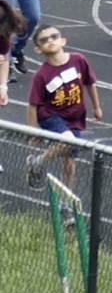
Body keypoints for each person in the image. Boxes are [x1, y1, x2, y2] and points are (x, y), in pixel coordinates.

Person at [24, 23, 101, 191]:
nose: (50, 41)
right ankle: (39, 162)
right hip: (51, 115)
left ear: (63, 41)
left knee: (70, 161)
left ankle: (67, 199)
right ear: (38, 49)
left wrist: (97, 107)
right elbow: (32, 105)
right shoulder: (42, 75)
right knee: (70, 141)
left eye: (54, 37)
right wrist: (34, 132)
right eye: (44, 40)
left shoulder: (78, 60)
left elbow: (90, 83)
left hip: (74, 116)